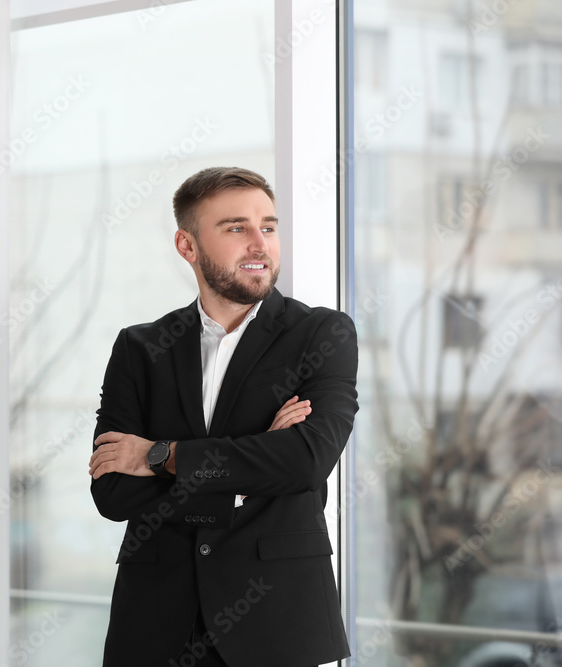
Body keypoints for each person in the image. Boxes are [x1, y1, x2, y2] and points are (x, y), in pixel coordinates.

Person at [88, 167, 358, 667]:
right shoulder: (140, 348)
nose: (260, 243)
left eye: (269, 227)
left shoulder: (322, 334)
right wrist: (250, 476)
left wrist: (158, 456)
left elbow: (304, 461)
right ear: (187, 245)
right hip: (153, 626)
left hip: (276, 624)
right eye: (237, 228)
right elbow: (113, 491)